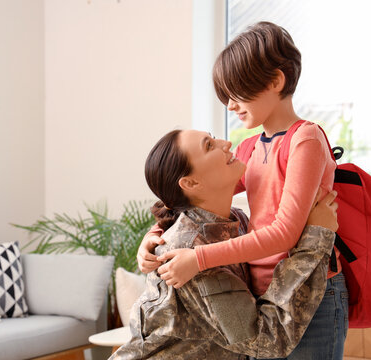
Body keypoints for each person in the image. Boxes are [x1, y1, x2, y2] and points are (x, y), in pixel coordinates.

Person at [138, 22, 348, 360]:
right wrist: (154, 234)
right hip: (264, 294)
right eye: (226, 98)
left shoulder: (303, 140)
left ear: (275, 81)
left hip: (309, 290)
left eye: (238, 93)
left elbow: (284, 233)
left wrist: (198, 258)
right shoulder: (251, 148)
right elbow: (191, 198)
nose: (231, 106)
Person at [111, 129, 338, 360]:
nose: (227, 143)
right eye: (209, 146)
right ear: (190, 182)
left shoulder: (236, 220)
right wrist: (316, 237)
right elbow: (266, 340)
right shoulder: (186, 257)